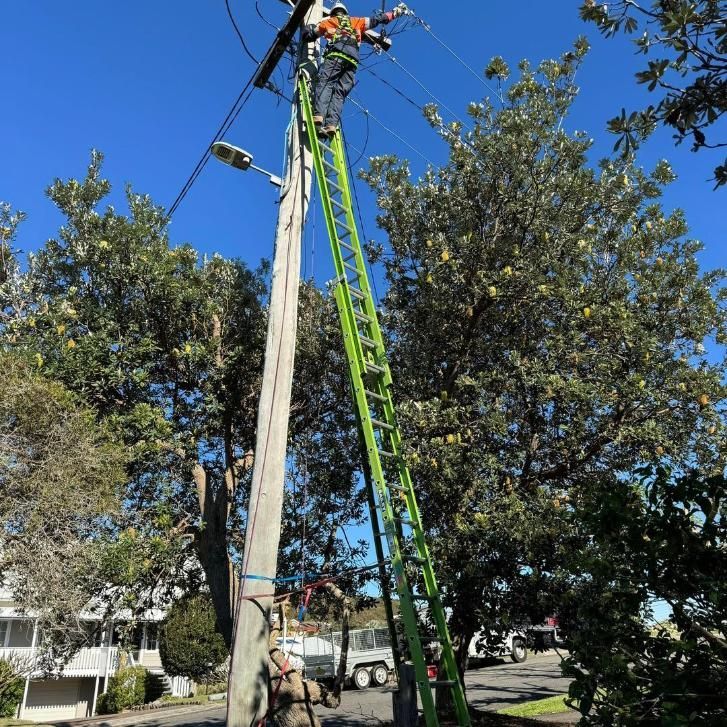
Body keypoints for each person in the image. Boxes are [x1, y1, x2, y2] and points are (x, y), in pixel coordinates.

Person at [302, 2, 407, 137]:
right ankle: (331, 124)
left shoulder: (329, 21)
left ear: (333, 13)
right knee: (340, 93)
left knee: (326, 83)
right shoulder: (356, 21)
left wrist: (307, 28)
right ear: (345, 13)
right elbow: (378, 19)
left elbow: (310, 35)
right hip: (352, 61)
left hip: (336, 56)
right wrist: (395, 13)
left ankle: (319, 116)